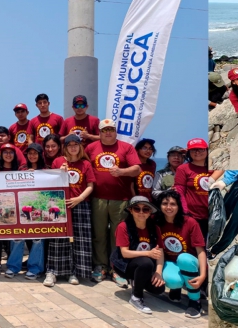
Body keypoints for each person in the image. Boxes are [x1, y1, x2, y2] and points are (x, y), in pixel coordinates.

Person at [86, 118, 141, 283]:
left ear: (115, 131)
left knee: (118, 235)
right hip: (98, 198)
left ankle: (116, 267)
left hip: (120, 199)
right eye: (104, 130)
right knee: (99, 234)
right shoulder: (91, 148)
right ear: (100, 132)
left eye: (111, 129)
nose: (108, 132)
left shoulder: (127, 147)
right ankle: (100, 266)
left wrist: (122, 171)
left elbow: (137, 169)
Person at [45, 134, 95, 287]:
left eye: (76, 144)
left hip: (80, 204)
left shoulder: (85, 164)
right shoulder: (58, 161)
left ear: (80, 146)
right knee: (57, 239)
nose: (73, 147)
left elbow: (90, 185)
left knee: (80, 240)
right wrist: (59, 173)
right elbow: (49, 184)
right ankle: (52, 271)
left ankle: (74, 272)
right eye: (69, 145)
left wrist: (79, 198)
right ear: (65, 147)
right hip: (60, 205)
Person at [111, 196, 166, 314]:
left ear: (150, 212)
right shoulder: (123, 226)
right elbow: (124, 253)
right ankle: (136, 297)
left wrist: (158, 273)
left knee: (158, 288)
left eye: (145, 209)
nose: (141, 212)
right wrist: (148, 253)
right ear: (130, 211)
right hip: (124, 265)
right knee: (146, 262)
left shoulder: (154, 228)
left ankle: (137, 280)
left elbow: (160, 252)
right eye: (137, 209)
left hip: (144, 265)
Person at [157, 189, 206, 319]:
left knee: (183, 258)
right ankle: (176, 288)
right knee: (173, 281)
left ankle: (195, 301)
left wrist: (202, 275)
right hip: (170, 261)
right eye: (164, 203)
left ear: (179, 206)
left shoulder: (190, 222)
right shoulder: (157, 222)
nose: (168, 207)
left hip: (189, 261)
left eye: (173, 204)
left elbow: (200, 251)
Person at [6, 143, 47, 279]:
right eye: (30, 153)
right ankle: (13, 266)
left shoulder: (47, 170)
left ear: (40, 155)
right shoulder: (20, 169)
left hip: (39, 208)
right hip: (21, 207)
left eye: (35, 153)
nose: (32, 156)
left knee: (37, 238)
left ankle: (35, 268)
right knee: (17, 237)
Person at [173, 138, 213, 243]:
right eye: (193, 150)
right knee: (191, 244)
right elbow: (179, 191)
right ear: (189, 152)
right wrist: (185, 212)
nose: (197, 152)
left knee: (205, 244)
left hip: (210, 214)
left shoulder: (212, 167)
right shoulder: (183, 168)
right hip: (192, 215)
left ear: (207, 150)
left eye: (201, 149)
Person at [0, 143, 20, 275]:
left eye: (11, 152)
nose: (8, 155)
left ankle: (10, 263)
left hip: (14, 207)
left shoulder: (19, 170)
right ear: (1, 155)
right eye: (5, 152)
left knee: (11, 237)